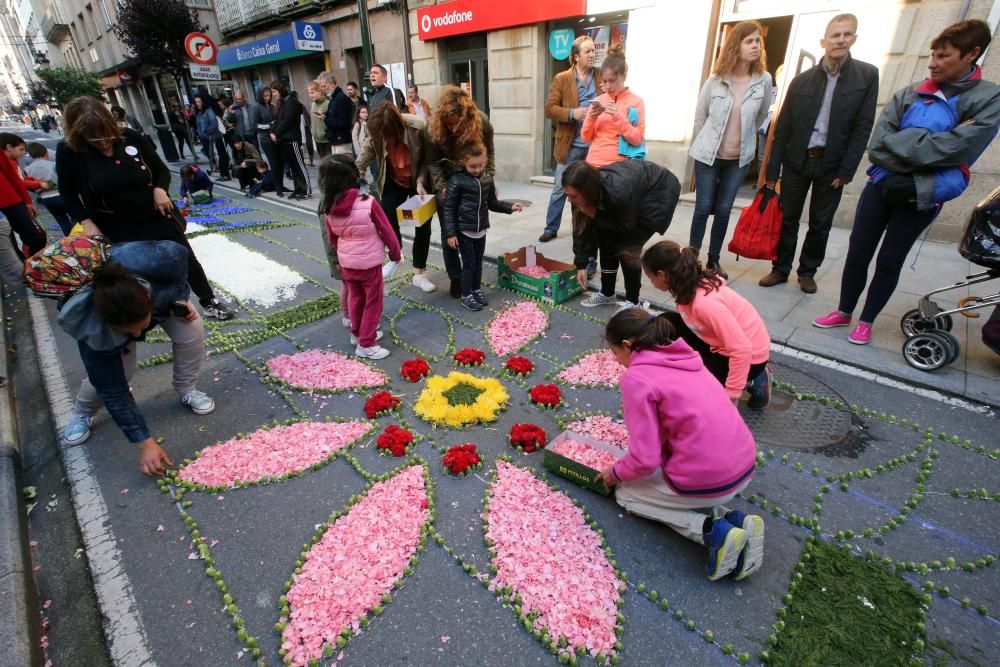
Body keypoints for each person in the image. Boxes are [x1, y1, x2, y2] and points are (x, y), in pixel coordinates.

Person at [814, 19, 1000, 345]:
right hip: (881, 185)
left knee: (889, 259)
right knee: (858, 252)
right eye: (933, 55)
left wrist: (905, 143)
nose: (933, 63)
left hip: (923, 193)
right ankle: (844, 311)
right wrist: (930, 143)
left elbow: (960, 147)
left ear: (972, 54)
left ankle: (867, 320)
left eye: (943, 56)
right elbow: (877, 145)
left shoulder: (988, 99)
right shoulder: (910, 93)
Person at [594, 308, 763, 581]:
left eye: (615, 353)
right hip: (744, 465)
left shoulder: (637, 379)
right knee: (662, 480)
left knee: (627, 493)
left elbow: (644, 460)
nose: (616, 361)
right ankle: (735, 521)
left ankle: (711, 531)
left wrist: (613, 475)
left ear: (627, 345)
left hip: (712, 479)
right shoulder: (687, 357)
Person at [56, 96, 234, 320]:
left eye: (106, 135)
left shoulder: (130, 138)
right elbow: (68, 193)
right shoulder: (69, 151)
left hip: (156, 213)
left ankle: (208, 300)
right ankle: (159, 309)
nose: (103, 142)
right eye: (94, 139)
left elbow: (161, 170)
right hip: (115, 224)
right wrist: (85, 220)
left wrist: (160, 189)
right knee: (137, 269)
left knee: (184, 257)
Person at [58, 241, 215, 476]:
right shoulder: (93, 329)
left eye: (140, 327)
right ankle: (83, 412)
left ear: (149, 303)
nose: (137, 336)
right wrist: (145, 443)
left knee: (192, 331)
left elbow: (180, 259)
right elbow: (114, 390)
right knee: (119, 373)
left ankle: (186, 388)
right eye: (128, 332)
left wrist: (180, 298)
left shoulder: (157, 259)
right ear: (111, 326)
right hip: (114, 319)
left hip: (160, 298)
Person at [759, 14, 879, 294]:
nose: (841, 40)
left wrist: (846, 170)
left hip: (832, 164)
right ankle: (780, 268)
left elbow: (863, 127)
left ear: (854, 39)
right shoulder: (801, 81)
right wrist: (772, 170)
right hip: (797, 161)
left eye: (847, 35)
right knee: (787, 218)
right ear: (824, 41)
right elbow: (783, 128)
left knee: (820, 223)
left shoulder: (866, 76)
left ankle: (807, 271)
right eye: (835, 35)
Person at [689, 20, 774, 278]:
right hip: (708, 155)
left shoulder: (764, 81)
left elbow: (761, 118)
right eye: (749, 41)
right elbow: (700, 117)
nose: (755, 46)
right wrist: (702, 145)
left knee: (724, 209)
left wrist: (743, 140)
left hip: (737, 159)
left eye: (758, 41)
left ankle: (713, 260)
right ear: (735, 45)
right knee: (703, 208)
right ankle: (692, 259)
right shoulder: (716, 80)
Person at [641, 240, 772, 408]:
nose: (650, 282)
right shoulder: (690, 283)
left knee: (693, 388)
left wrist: (731, 396)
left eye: (650, 277)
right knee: (666, 323)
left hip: (751, 357)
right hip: (725, 345)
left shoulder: (705, 304)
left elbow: (741, 350)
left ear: (661, 275)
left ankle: (755, 380)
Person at [563, 159, 680, 309]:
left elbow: (626, 227)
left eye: (572, 196)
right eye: (567, 194)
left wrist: (596, 215)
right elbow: (581, 230)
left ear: (587, 191)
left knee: (628, 246)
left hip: (659, 191)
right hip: (633, 189)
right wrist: (581, 265)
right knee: (605, 237)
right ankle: (607, 293)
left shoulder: (619, 191)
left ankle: (633, 302)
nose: (568, 200)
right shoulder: (579, 195)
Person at [320, 155, 401, 360]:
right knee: (373, 302)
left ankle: (358, 334)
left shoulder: (328, 207)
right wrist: (395, 253)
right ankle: (366, 344)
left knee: (356, 299)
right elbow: (387, 230)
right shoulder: (368, 202)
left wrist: (340, 258)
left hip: (347, 263)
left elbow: (332, 238)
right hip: (369, 263)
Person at [356, 103, 437, 293]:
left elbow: (428, 158)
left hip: (418, 182)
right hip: (394, 182)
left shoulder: (417, 127)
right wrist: (358, 183)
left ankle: (419, 273)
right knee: (388, 220)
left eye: (389, 136)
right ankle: (395, 256)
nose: (386, 139)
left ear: (397, 128)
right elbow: (361, 161)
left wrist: (420, 180)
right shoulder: (377, 132)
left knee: (422, 227)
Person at [428, 85, 496, 298]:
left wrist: (487, 178)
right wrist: (443, 188)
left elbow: (490, 153)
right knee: (449, 231)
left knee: (473, 228)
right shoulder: (434, 128)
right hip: (448, 183)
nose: (455, 129)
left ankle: (471, 276)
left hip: (475, 179)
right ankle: (456, 278)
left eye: (459, 124)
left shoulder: (482, 122)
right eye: (450, 125)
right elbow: (432, 163)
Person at [443, 142, 523, 311]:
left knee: (478, 263)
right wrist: (451, 234)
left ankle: (476, 289)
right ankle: (466, 295)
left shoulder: (487, 178)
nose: (478, 169)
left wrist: (509, 207)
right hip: (464, 231)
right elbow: (448, 208)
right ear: (462, 162)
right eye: (473, 166)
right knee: (469, 264)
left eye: (481, 165)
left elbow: (492, 203)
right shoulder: (456, 180)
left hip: (481, 230)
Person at [541, 35, 600, 243]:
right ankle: (551, 227)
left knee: (590, 190)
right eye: (588, 51)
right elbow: (549, 109)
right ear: (576, 56)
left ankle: (584, 229)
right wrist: (572, 113)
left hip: (595, 146)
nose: (592, 55)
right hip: (570, 145)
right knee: (560, 187)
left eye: (593, 51)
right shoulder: (562, 79)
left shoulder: (600, 76)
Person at [580, 44, 645, 169]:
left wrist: (617, 117)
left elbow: (637, 139)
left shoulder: (636, 102)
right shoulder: (599, 101)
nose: (608, 86)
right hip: (593, 165)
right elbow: (585, 138)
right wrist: (591, 118)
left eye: (612, 80)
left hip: (620, 168)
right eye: (604, 81)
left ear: (624, 76)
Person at [0, 132, 45, 260]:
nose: (23, 153)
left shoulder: (8, 160)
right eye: (21, 149)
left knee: (33, 237)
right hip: (10, 204)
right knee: (9, 245)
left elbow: (16, 180)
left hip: (12, 202)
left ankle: (34, 262)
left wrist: (27, 201)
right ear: (9, 147)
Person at [268, 80, 311, 200]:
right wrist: (272, 132)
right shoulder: (284, 103)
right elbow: (278, 120)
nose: (274, 94)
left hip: (292, 139)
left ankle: (306, 190)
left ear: (281, 90)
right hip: (285, 140)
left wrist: (275, 133)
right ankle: (298, 189)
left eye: (275, 91)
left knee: (299, 165)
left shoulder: (292, 103)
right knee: (293, 167)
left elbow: (287, 121)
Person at [25, 142, 72, 236]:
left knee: (62, 221)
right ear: (47, 153)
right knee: (75, 217)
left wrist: (39, 187)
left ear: (31, 156)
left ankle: (70, 239)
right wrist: (48, 184)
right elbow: (61, 179)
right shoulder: (53, 165)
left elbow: (29, 185)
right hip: (60, 194)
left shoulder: (27, 169)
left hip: (45, 198)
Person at [193, 94, 230, 180]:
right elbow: (199, 126)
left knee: (221, 155)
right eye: (196, 102)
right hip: (207, 138)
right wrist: (199, 132)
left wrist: (204, 133)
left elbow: (213, 125)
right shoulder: (199, 113)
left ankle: (225, 174)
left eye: (199, 101)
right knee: (217, 155)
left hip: (215, 137)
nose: (197, 103)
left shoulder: (209, 111)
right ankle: (222, 173)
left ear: (203, 102)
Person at [317, 72, 353, 156]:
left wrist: (325, 119)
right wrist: (325, 114)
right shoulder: (334, 98)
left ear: (332, 82)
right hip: (336, 141)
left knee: (344, 168)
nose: (323, 89)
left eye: (324, 85)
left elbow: (343, 122)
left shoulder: (341, 98)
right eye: (321, 87)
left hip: (342, 142)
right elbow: (335, 116)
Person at [253, 87, 278, 171]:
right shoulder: (257, 107)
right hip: (265, 138)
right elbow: (255, 125)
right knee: (273, 161)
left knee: (279, 159)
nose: (267, 98)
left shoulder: (272, 106)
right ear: (260, 96)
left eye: (269, 95)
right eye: (265, 96)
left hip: (275, 136)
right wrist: (269, 125)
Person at [305, 81, 331, 159]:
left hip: (327, 140)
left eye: (312, 92)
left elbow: (332, 120)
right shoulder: (313, 104)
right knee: (323, 165)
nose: (310, 95)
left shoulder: (328, 103)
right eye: (309, 93)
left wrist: (325, 117)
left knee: (330, 165)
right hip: (317, 140)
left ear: (319, 91)